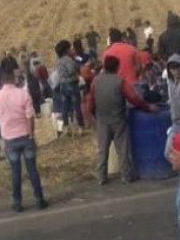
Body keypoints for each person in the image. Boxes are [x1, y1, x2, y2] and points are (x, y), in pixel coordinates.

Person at [88, 55, 154, 185]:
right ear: (117, 67)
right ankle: (126, 175)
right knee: (122, 149)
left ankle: (101, 176)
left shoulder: (96, 81)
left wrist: (94, 116)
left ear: (104, 66)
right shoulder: (120, 81)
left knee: (103, 150)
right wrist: (147, 107)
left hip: (102, 120)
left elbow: (90, 102)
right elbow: (133, 98)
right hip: (118, 119)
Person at [0, 69, 48, 212]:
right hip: (25, 135)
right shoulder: (23, 93)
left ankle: (17, 202)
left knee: (15, 172)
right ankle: (39, 199)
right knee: (32, 170)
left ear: (2, 82)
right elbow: (30, 116)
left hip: (9, 138)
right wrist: (31, 133)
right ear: (14, 80)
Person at [55, 40, 83, 133]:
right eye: (70, 48)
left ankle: (66, 127)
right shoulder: (68, 59)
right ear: (66, 50)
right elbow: (71, 70)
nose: (72, 50)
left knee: (65, 107)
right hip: (71, 84)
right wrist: (76, 65)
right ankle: (80, 127)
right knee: (76, 106)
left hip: (63, 85)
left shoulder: (59, 61)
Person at [167, 54, 180, 125]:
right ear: (169, 69)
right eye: (173, 68)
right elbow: (171, 98)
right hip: (174, 119)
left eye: (178, 67)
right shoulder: (170, 82)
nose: (176, 71)